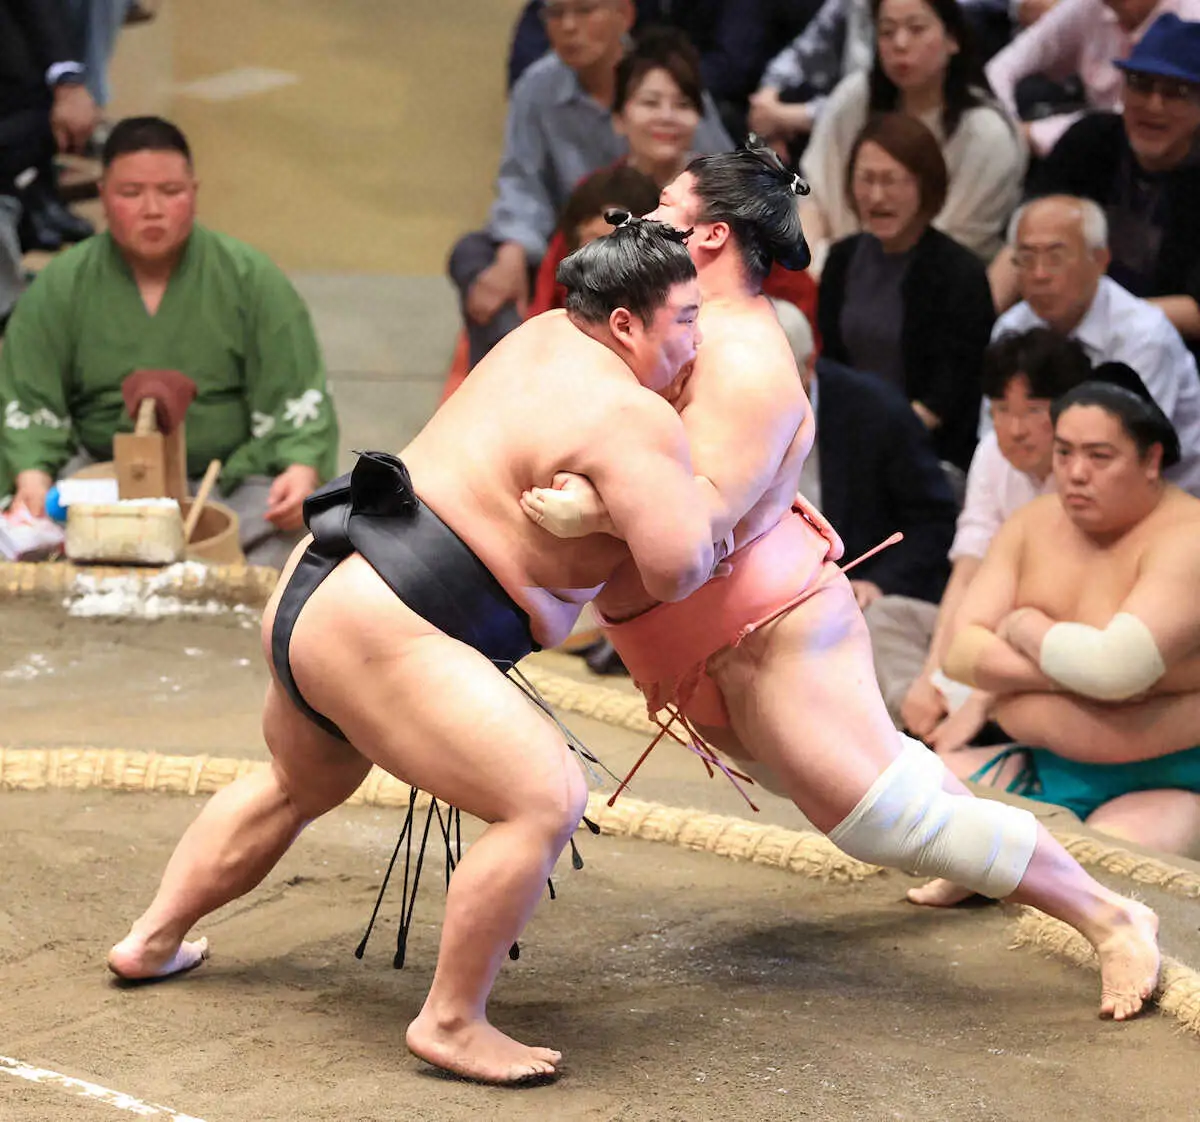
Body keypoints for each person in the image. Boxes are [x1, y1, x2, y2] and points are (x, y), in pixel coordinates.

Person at [522, 145, 1161, 1024]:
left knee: (875, 817)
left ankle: (1113, 917)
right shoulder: (682, 326)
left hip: (769, 628)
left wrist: (593, 512)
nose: (640, 220)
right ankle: (972, 861)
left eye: (661, 207)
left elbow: (695, 523)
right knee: (872, 785)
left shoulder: (744, 357)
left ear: (708, 233)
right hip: (707, 644)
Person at [106, 219, 721, 1085]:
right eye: (688, 320)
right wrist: (664, 502)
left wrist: (605, 509)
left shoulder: (536, 336)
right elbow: (680, 564)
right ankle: (451, 1021)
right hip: (392, 623)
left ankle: (152, 938)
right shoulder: (633, 415)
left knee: (298, 782)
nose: (698, 344)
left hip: (322, 579)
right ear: (625, 325)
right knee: (544, 798)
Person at [0, 116, 339, 567]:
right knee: (27, 530)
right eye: (131, 193)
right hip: (101, 485)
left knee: (309, 532)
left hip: (227, 489)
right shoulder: (60, 286)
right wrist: (33, 480)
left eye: (170, 192)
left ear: (194, 192)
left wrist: (300, 470)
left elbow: (296, 399)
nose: (152, 208)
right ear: (102, 195)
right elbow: (28, 398)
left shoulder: (250, 279)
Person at [928, 377, 1200, 878]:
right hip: (1040, 762)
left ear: (1151, 460)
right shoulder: (1032, 524)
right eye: (1065, 452)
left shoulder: (1188, 537)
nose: (1076, 473)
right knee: (904, 803)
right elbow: (962, 652)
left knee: (1103, 870)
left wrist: (1026, 628)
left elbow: (1116, 666)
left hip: (1168, 778)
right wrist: (1075, 675)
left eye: (1100, 456)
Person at [449, 0, 731, 369]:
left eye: (584, 11)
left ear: (625, 15)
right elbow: (521, 182)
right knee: (477, 260)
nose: (568, 26)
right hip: (570, 243)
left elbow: (726, 178)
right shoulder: (535, 88)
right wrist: (514, 251)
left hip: (670, 261)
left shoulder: (664, 77)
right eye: (555, 14)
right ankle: (511, 379)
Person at [888, 327, 1092, 736]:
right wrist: (931, 676)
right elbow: (966, 573)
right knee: (886, 617)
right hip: (983, 627)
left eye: (1034, 410)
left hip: (1053, 637)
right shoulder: (991, 455)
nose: (1016, 429)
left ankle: (958, 720)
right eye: (1001, 409)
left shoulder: (1087, 471)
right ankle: (922, 721)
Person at [996, 14, 1200, 355]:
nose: (1153, 105)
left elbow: (1196, 310)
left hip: (1171, 352)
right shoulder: (1090, 141)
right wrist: (982, 317)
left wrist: (1094, 319)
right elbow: (1020, 245)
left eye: (1176, 93)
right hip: (1062, 331)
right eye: (1141, 84)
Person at [817, 112, 995, 471]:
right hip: (851, 443)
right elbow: (832, 365)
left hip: (928, 454)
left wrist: (884, 442)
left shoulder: (961, 274)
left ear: (925, 186)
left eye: (892, 180)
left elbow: (950, 392)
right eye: (866, 179)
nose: (877, 196)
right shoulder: (841, 259)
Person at [988, 194, 1200, 495]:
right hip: (1044, 486)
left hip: (1158, 497)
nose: (1039, 274)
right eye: (1026, 258)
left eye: (1055, 257)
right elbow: (992, 435)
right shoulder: (1013, 327)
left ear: (1100, 260)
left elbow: (1131, 453)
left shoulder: (1143, 336)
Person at [799, 0, 1026, 274]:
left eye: (917, 29)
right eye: (887, 31)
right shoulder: (854, 99)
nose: (900, 44)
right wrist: (812, 269)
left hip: (933, 290)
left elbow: (951, 243)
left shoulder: (987, 134)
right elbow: (814, 199)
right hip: (829, 274)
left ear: (952, 39)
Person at [775, 296, 958, 611]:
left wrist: (880, 583)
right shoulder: (722, 411)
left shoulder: (877, 412)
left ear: (808, 367)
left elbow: (933, 523)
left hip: (858, 588)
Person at [985, 0, 1200, 158]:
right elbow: (1002, 67)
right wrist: (1005, 127)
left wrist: (1027, 134)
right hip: (1091, 149)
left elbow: (1132, 116)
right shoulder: (1088, 6)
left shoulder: (1193, 17)